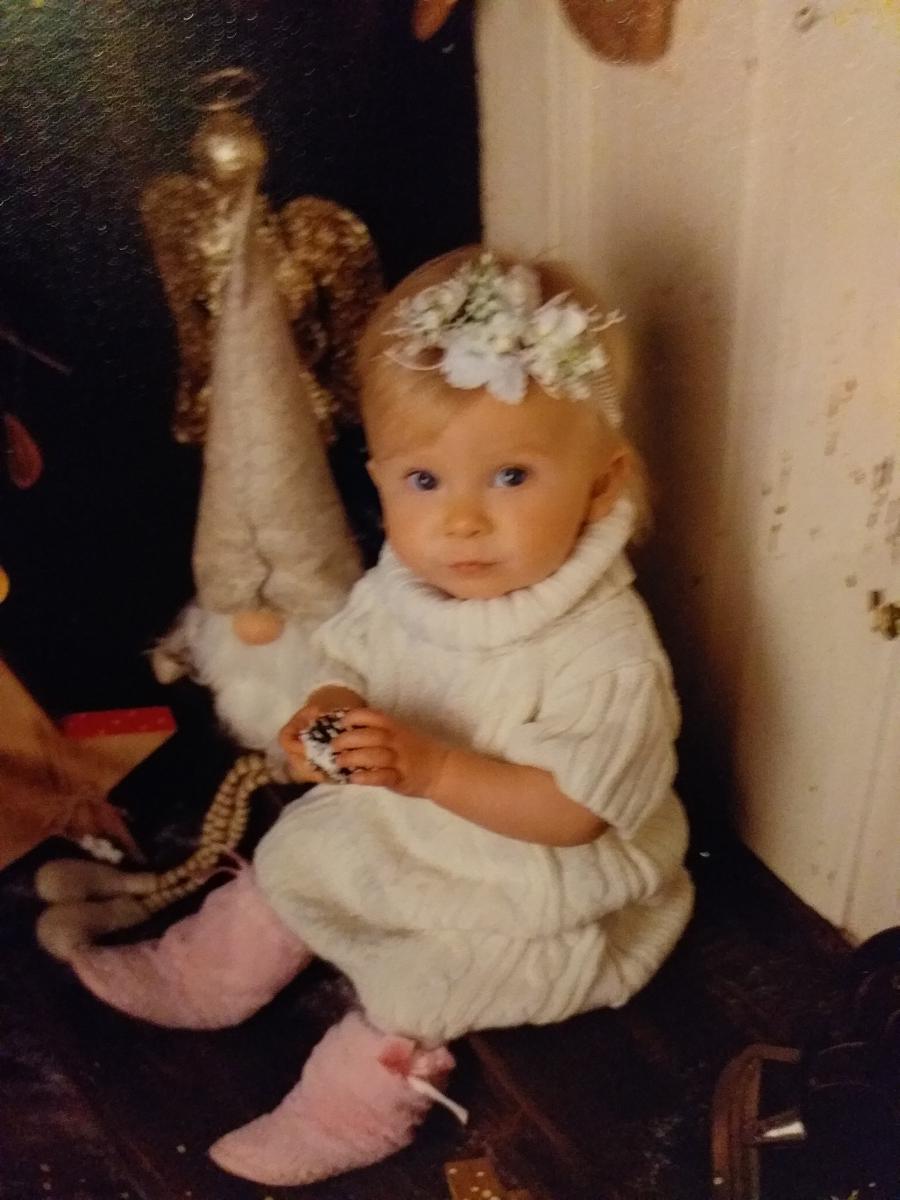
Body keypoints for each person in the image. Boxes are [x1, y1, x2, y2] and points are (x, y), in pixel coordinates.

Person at [65, 248, 693, 1187]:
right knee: (299, 853)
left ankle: (355, 1102)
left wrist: (434, 771)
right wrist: (323, 725)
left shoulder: (606, 655)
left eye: (511, 477)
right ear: (382, 478)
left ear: (601, 484)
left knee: (431, 976)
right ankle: (209, 973)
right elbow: (348, 667)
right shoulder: (407, 582)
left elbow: (575, 814)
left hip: (534, 881)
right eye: (424, 482)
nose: (461, 521)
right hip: (408, 815)